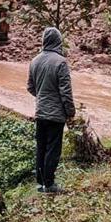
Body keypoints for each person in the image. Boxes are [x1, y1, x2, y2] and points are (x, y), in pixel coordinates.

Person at [27, 27, 75, 193]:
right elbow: (66, 92)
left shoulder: (34, 61)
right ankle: (50, 184)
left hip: (40, 112)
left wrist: (42, 96)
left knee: (41, 147)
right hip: (55, 115)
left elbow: (30, 87)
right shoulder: (60, 62)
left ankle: (41, 183)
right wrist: (70, 112)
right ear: (58, 42)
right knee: (53, 149)